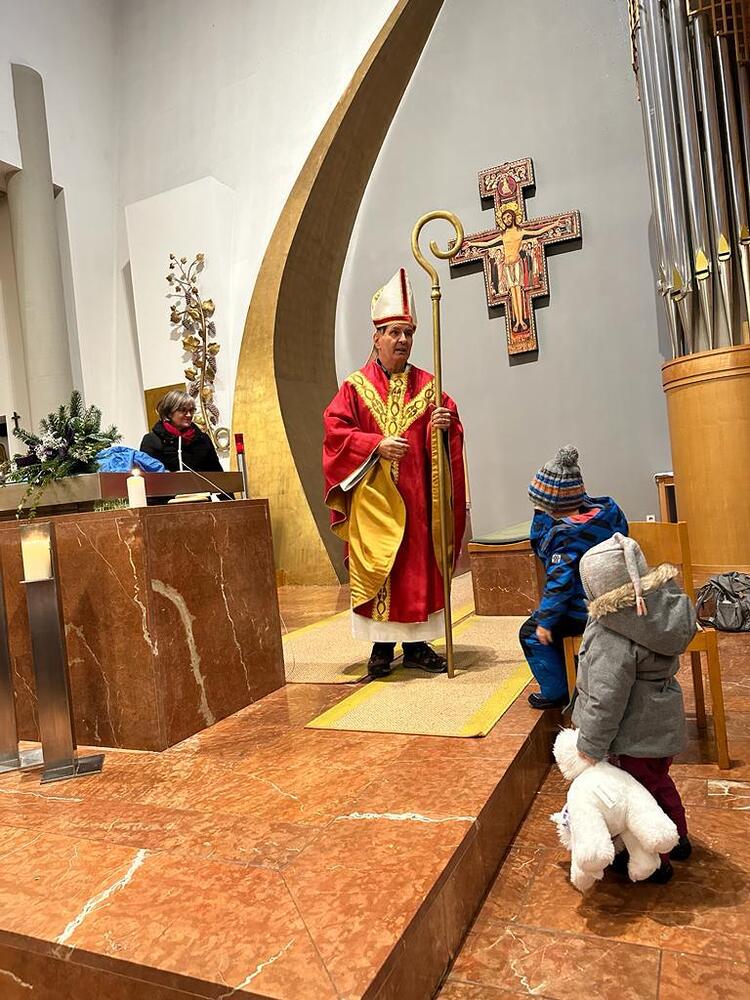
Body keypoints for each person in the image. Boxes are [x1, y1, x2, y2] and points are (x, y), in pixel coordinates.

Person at [323, 267, 466, 678]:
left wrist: (446, 425)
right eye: (394, 332)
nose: (402, 340)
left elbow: (450, 435)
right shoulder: (354, 387)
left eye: (408, 333)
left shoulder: (430, 386)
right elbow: (335, 433)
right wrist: (375, 445)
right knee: (382, 567)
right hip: (375, 502)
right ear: (377, 337)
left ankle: (418, 645)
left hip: (418, 501)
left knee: (416, 569)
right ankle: (382, 648)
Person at [573, 532, 696, 883]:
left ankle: (658, 860)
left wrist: (590, 744)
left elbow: (606, 697)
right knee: (659, 782)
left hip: (632, 735)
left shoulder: (612, 632)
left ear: (600, 590)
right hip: (662, 728)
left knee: (639, 799)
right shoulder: (659, 610)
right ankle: (679, 836)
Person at [520, 445, 628, 709]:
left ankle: (556, 692)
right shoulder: (608, 510)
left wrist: (546, 621)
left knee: (532, 633)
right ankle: (576, 669)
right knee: (550, 624)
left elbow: (560, 585)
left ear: (552, 508)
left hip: (587, 610)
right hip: (620, 599)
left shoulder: (564, 538)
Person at [140, 390, 222, 473]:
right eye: (183, 410)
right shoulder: (151, 440)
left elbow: (217, 473)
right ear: (169, 413)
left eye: (191, 410)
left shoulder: (203, 439)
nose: (189, 415)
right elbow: (147, 474)